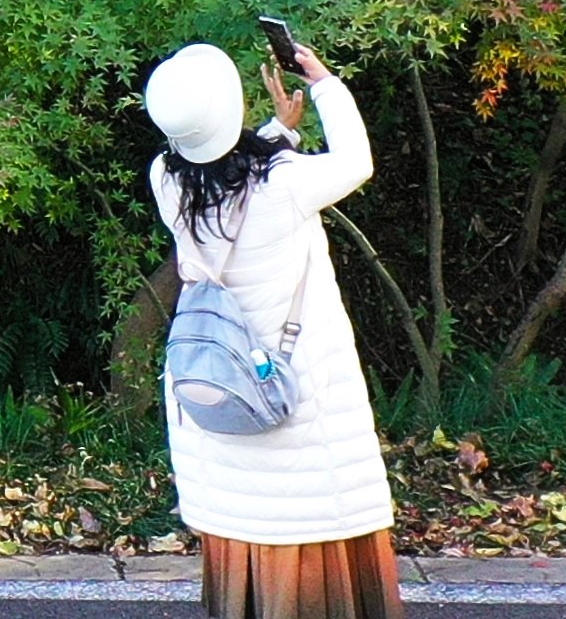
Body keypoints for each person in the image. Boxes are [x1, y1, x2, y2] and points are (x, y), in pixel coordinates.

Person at [144, 35, 398, 619]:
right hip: (293, 390)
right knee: (308, 518)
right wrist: (324, 83)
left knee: (244, 514)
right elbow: (357, 161)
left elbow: (226, 173)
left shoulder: (167, 179)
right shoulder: (285, 183)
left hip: (219, 388)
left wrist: (278, 131)